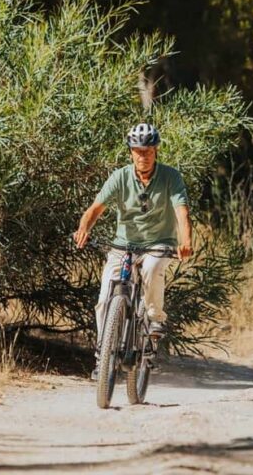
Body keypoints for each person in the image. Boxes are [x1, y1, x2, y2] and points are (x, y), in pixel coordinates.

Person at [74, 122, 192, 379]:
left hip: (158, 243)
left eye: (148, 151)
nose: (143, 156)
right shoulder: (120, 177)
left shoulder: (171, 177)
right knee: (105, 298)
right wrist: (84, 227)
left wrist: (186, 240)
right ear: (130, 152)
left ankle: (154, 318)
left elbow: (181, 211)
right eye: (138, 151)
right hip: (123, 245)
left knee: (151, 268)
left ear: (156, 150)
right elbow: (95, 208)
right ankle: (102, 356)